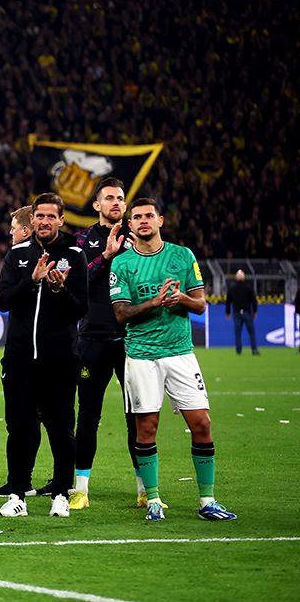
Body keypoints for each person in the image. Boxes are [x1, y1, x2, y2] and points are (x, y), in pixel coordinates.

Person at [111, 198, 237, 522]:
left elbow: (199, 305)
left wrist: (180, 298)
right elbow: (121, 314)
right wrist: (155, 301)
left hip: (180, 353)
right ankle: (153, 500)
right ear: (130, 224)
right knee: (147, 428)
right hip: (141, 356)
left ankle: (207, 500)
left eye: (148, 216)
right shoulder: (122, 263)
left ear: (160, 220)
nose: (142, 221)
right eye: (136, 217)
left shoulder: (183, 256)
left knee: (202, 424)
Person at [0, 193, 87, 518]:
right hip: (19, 359)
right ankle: (17, 493)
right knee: (20, 427)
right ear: (32, 220)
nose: (44, 222)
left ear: (61, 220)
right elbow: (2, 300)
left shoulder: (75, 256)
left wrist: (59, 289)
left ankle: (61, 492)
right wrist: (31, 282)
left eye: (51, 216)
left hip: (60, 360)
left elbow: (81, 308)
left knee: (61, 429)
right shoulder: (17, 254)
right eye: (40, 216)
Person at [69, 179, 140, 510]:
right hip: (93, 339)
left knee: (137, 415)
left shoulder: (139, 237)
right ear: (96, 205)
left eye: (120, 198)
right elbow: (75, 281)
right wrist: (106, 256)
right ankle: (80, 489)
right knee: (88, 416)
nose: (116, 202)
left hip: (131, 340)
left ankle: (145, 489)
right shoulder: (82, 240)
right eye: (109, 198)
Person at [226, 269, 260, 355]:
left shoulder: (232, 287)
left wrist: (228, 312)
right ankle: (254, 349)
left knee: (238, 333)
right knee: (251, 332)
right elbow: (254, 300)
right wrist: (255, 311)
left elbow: (228, 301)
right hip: (246, 312)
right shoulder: (248, 287)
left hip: (237, 313)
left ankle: (238, 351)